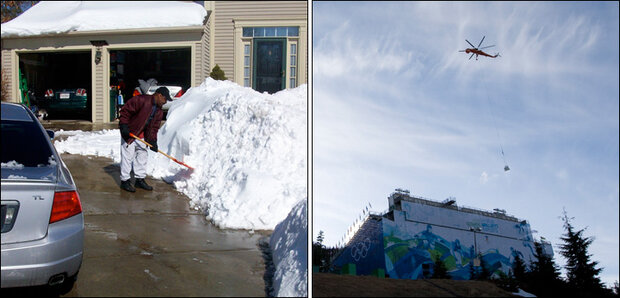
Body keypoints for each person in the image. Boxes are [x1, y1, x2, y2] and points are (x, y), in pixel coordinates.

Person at [118, 87, 170, 192]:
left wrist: (153, 141)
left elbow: (154, 128)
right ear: (159, 95)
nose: (165, 102)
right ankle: (125, 181)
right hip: (130, 133)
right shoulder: (141, 100)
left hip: (141, 137)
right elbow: (125, 111)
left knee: (142, 157)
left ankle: (139, 180)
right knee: (127, 158)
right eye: (165, 99)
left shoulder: (159, 111)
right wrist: (123, 125)